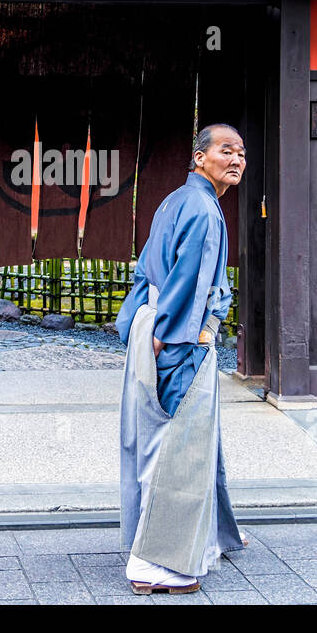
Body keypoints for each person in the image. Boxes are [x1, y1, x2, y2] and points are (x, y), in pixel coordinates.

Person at [115, 122, 247, 594]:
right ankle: (158, 565)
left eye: (241, 154)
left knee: (162, 442)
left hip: (154, 327)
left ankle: (203, 540)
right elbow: (188, 281)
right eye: (225, 151)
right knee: (178, 449)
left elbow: (146, 269)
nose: (236, 160)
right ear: (199, 158)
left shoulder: (178, 200)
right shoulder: (201, 209)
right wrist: (174, 339)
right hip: (177, 338)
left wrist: (140, 325)